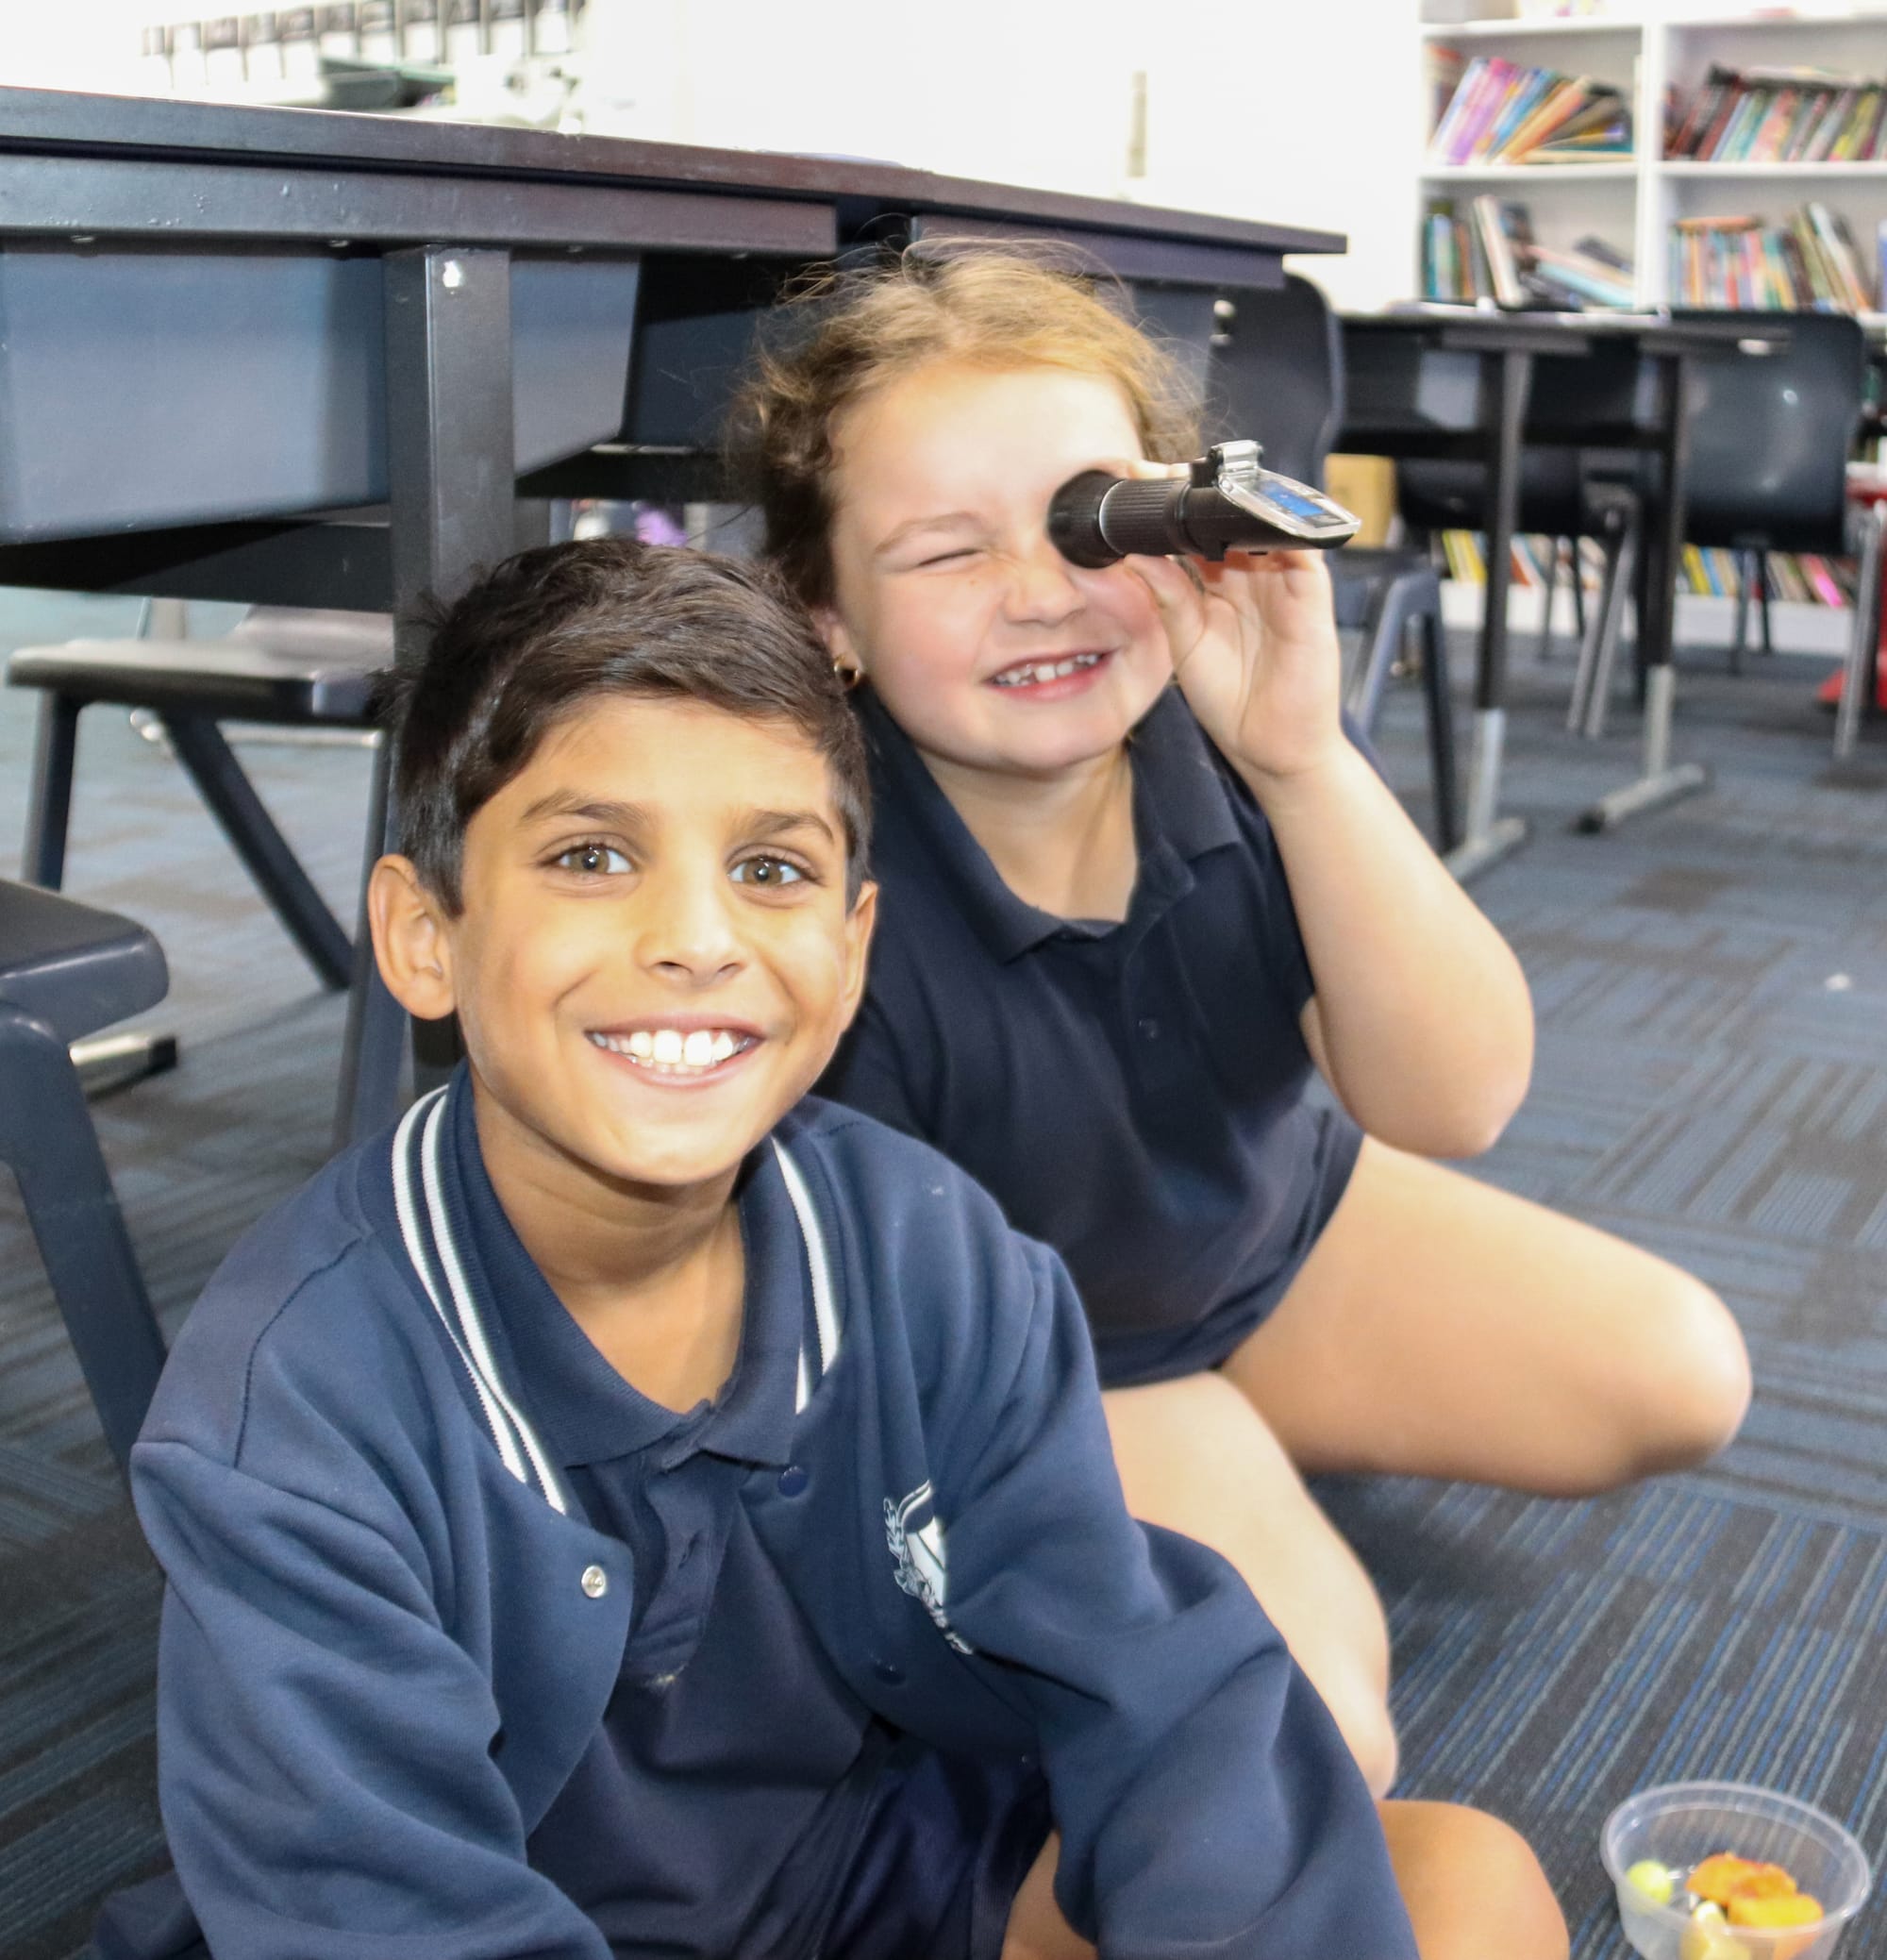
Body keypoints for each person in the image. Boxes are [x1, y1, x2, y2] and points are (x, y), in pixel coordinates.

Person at [95, 539, 1567, 1960]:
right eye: (593, 855)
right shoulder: (288, 1425)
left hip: (876, 1861)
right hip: (529, 1914)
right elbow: (386, 1911)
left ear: (854, 947)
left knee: (1462, 1887)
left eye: (774, 870)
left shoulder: (933, 1249)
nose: (697, 937)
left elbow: (1147, 1678)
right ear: (425, 937)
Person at [735, 248, 1753, 1800]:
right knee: (1311, 1742)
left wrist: (1302, 763)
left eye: (1094, 524)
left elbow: (1456, 1099)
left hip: (1276, 1226)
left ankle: (1266, 1422)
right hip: (1052, 1354)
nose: (1041, 590)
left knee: (1690, 1374)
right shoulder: (826, 878)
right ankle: (1214, 1459)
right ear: (828, 617)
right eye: (944, 553)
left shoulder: (1218, 743)